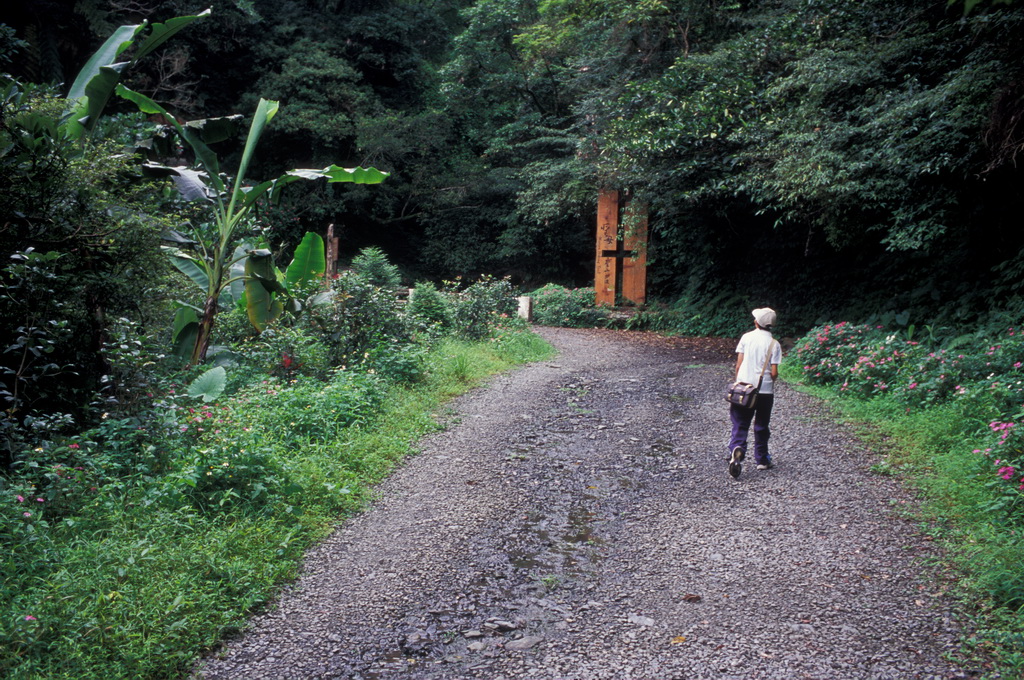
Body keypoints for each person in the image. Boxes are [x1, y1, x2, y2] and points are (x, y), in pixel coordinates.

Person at [728, 307, 782, 478]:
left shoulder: (746, 337)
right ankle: (762, 460)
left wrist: (739, 380)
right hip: (764, 391)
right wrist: (768, 383)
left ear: (756, 322)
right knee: (761, 426)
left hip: (744, 388)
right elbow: (774, 373)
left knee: (740, 422)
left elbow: (739, 364)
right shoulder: (775, 344)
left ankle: (737, 449)